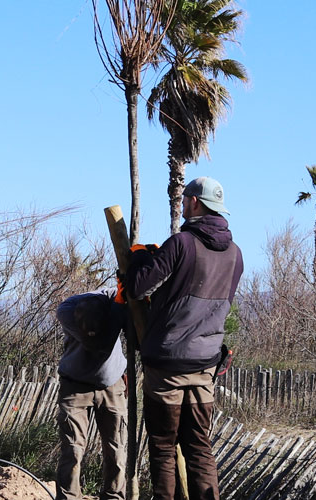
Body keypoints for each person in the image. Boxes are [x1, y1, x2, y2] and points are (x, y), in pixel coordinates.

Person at [124, 176, 242, 500]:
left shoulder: (181, 243)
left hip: (167, 366)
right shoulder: (236, 255)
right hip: (205, 365)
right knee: (200, 448)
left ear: (193, 202)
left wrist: (139, 260)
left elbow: (138, 287)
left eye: (185, 199)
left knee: (163, 447)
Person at [54, 289, 129, 500]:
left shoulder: (117, 302)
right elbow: (98, 344)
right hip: (74, 384)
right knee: (72, 449)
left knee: (116, 449)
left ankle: (113, 497)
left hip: (112, 383)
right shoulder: (67, 312)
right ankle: (69, 497)